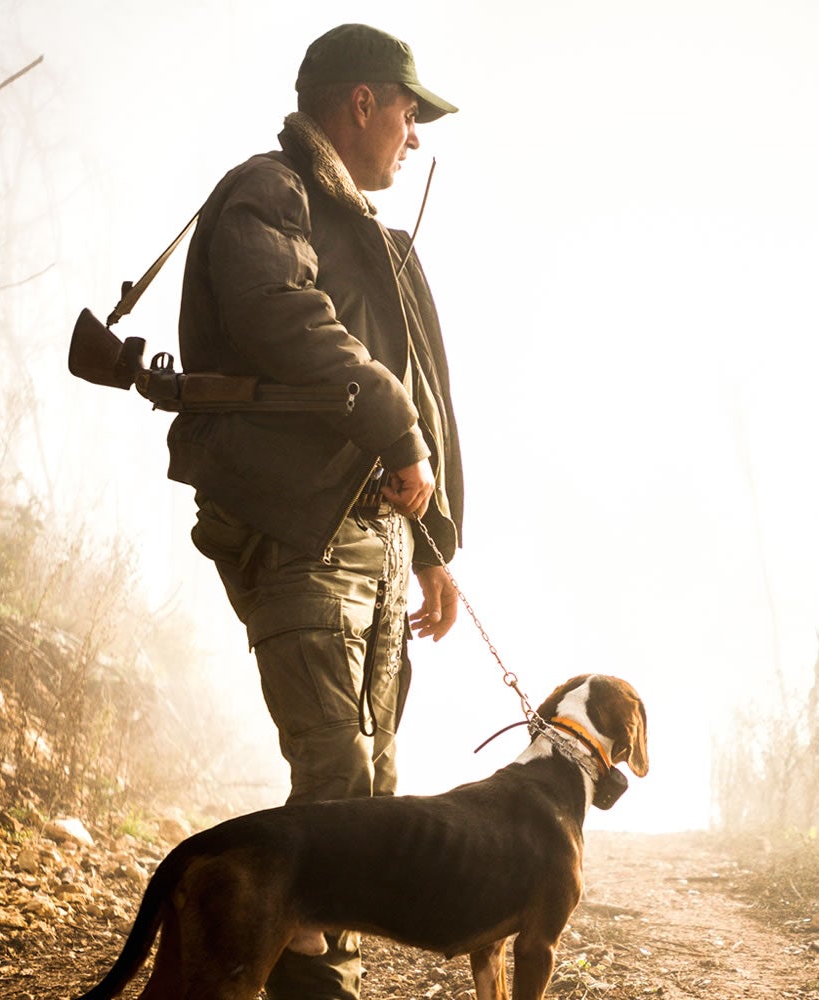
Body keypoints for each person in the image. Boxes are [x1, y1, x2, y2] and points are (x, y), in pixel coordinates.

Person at [164, 23, 465, 1000]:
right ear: (362, 102)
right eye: (408, 112)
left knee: (370, 780)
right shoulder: (268, 190)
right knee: (334, 761)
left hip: (379, 546)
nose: (414, 137)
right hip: (296, 535)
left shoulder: (383, 245)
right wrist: (393, 423)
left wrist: (433, 542)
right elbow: (278, 315)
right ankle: (297, 973)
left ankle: (320, 959)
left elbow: (426, 396)